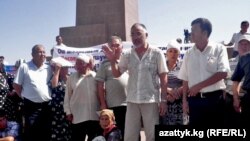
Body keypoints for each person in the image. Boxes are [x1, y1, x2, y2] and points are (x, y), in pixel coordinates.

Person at [102, 23, 168, 141]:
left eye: (138, 33)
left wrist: (163, 100)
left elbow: (164, 77)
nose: (135, 37)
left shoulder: (157, 53)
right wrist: (112, 61)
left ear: (146, 35)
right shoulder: (127, 55)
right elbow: (117, 74)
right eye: (132, 34)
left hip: (150, 100)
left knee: (152, 135)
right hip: (132, 101)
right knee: (130, 136)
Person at [178, 18, 230, 127]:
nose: (190, 33)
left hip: (215, 100)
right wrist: (184, 101)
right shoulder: (188, 53)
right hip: (195, 102)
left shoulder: (219, 49)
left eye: (194, 30)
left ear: (205, 33)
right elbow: (185, 78)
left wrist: (198, 86)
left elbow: (223, 73)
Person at [13, 44, 53, 141]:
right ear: (32, 54)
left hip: (47, 106)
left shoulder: (49, 68)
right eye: (40, 52)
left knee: (46, 132)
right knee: (31, 133)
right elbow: (16, 85)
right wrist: (23, 96)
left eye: (44, 52)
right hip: (31, 107)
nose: (42, 54)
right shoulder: (25, 66)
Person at [95, 36, 128, 140]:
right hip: (113, 106)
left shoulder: (127, 60)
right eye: (112, 45)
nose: (115, 48)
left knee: (132, 132)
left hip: (130, 104)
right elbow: (100, 85)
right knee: (115, 135)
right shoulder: (104, 64)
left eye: (117, 45)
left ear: (122, 47)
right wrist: (103, 104)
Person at [63, 53, 102, 141]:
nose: (77, 66)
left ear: (87, 65)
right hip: (78, 116)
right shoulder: (71, 78)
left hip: (94, 116)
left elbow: (101, 95)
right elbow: (67, 96)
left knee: (95, 139)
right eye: (76, 64)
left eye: (80, 63)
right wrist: (68, 112)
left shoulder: (95, 76)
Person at [160, 40, 185, 125]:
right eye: (170, 51)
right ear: (166, 53)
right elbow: (156, 83)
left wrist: (177, 91)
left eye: (175, 51)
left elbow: (187, 82)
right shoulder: (161, 66)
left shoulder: (182, 65)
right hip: (165, 101)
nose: (173, 53)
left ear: (179, 53)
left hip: (180, 101)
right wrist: (169, 91)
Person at [49, 60, 72, 141]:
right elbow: (54, 86)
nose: (66, 69)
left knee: (68, 133)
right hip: (56, 111)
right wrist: (57, 71)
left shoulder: (70, 78)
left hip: (68, 110)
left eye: (67, 68)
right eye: (64, 68)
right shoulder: (55, 78)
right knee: (57, 133)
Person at [231, 35, 250, 127]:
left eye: (246, 44)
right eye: (241, 44)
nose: (244, 46)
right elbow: (235, 81)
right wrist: (236, 99)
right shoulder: (243, 59)